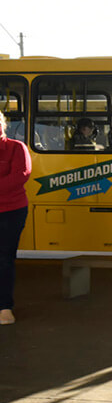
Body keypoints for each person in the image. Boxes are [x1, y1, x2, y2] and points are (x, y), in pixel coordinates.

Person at [0, 110, 31, 325]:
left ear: (3, 125)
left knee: (4, 259)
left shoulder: (16, 148)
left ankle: (4, 307)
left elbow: (20, 176)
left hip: (10, 211)